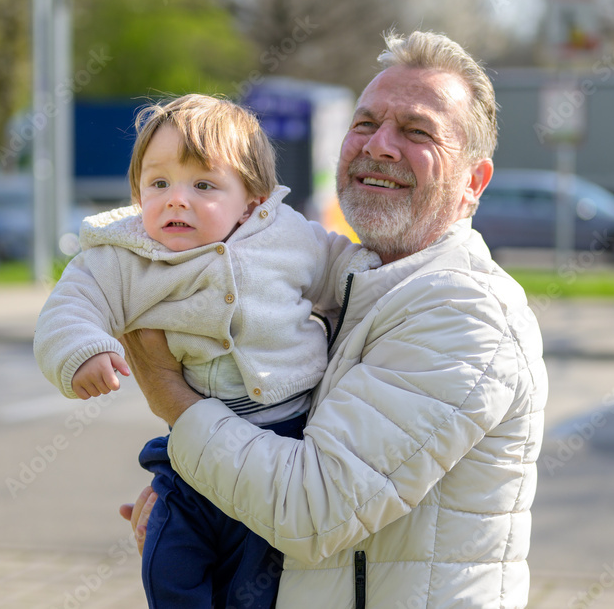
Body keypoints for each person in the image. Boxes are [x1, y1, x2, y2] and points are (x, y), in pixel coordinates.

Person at [119, 30, 549, 608]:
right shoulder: (350, 279)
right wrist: (195, 506)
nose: (381, 146)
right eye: (365, 123)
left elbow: (311, 511)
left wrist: (165, 390)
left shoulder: (464, 314)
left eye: (417, 131)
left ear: (473, 182)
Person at [34, 93, 378, 608]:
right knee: (168, 560)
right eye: (158, 183)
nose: (176, 199)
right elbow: (70, 305)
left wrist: (370, 273)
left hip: (283, 441)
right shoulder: (127, 255)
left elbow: (342, 270)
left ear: (254, 199)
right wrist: (83, 349)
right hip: (192, 452)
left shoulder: (287, 237)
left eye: (203, 185)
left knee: (257, 580)